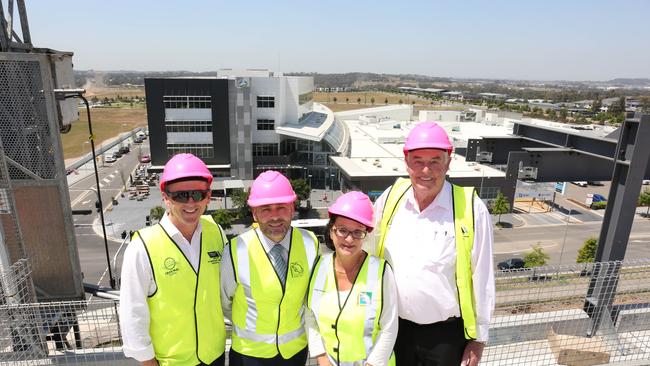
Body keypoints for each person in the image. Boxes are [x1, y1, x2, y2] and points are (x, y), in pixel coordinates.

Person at [371, 122, 495, 366]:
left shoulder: (471, 208)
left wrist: (478, 339)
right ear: (406, 162)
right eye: (417, 160)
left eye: (435, 161)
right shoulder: (390, 198)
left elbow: (483, 276)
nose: (425, 170)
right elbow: (367, 254)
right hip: (394, 330)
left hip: (445, 338)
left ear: (448, 162)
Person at [120, 153, 227, 366]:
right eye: (180, 195)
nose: (190, 202)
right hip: (170, 361)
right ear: (165, 196)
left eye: (198, 194)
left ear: (208, 196)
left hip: (214, 356)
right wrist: (147, 361)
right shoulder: (143, 246)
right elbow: (132, 311)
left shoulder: (215, 232)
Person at [221, 170, 319, 366]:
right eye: (265, 209)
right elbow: (226, 303)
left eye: (281, 207)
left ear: (292, 208)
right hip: (249, 357)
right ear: (254, 213)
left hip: (295, 354)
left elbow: (311, 300)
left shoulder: (310, 243)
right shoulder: (235, 250)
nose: (275, 217)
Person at [307, 191, 398, 366]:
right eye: (342, 230)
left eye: (358, 232)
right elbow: (310, 315)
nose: (349, 239)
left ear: (366, 234)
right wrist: (321, 356)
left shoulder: (381, 272)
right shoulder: (318, 268)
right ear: (332, 232)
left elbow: (389, 326)